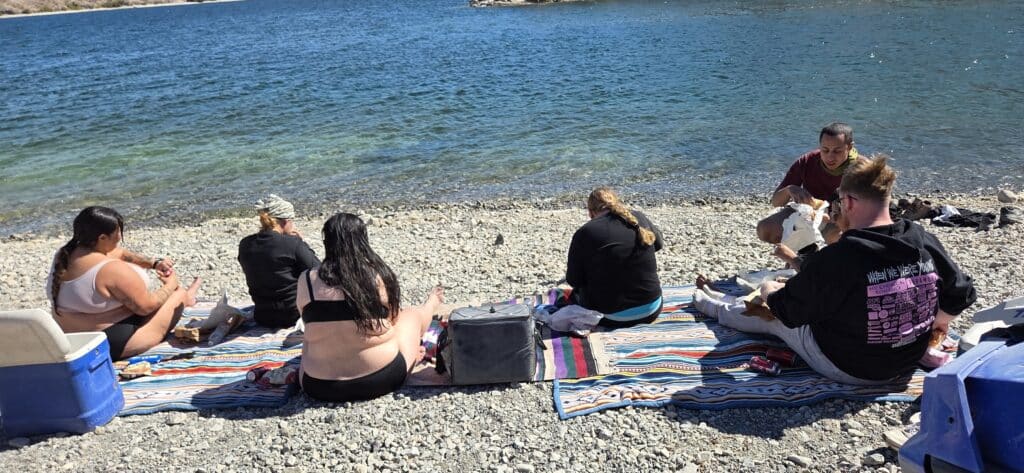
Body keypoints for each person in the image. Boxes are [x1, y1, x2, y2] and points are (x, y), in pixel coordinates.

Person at [695, 155, 976, 384]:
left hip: (850, 367)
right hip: (904, 361)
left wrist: (770, 291)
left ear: (850, 202)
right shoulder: (921, 239)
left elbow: (789, 312)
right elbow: (961, 291)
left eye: (839, 202)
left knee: (771, 315)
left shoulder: (842, 256)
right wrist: (940, 320)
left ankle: (711, 306)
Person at [297, 213, 444, 402]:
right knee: (410, 316)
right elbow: (393, 319)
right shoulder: (377, 276)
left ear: (327, 242)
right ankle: (431, 305)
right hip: (380, 377)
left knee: (312, 338)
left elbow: (306, 318)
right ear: (362, 241)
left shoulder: (307, 280)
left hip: (317, 385)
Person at [47, 206, 201, 360]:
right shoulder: (110, 269)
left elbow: (120, 253)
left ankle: (183, 298)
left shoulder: (64, 254)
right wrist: (171, 284)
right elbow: (146, 307)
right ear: (101, 238)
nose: (120, 237)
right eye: (118, 232)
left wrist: (154, 263)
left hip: (73, 340)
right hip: (111, 345)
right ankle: (187, 299)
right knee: (178, 295)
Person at [566, 187, 665, 328]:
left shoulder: (585, 232)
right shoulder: (638, 218)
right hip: (652, 309)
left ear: (590, 212)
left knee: (577, 293)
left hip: (613, 317)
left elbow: (574, 280)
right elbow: (658, 244)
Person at [757, 122, 860, 244]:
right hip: (808, 213)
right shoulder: (807, 161)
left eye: (837, 151)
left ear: (849, 147)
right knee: (765, 229)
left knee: (832, 236)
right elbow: (775, 202)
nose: (830, 157)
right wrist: (790, 189)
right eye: (825, 150)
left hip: (842, 219)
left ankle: (810, 258)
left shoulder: (862, 168)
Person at [238, 194, 320, 328]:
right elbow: (319, 271)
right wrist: (300, 242)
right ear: (285, 221)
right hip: (293, 315)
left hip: (262, 316)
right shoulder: (292, 244)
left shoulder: (245, 244)